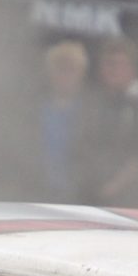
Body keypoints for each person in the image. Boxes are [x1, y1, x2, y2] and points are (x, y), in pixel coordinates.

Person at [88, 36, 138, 205]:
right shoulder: (96, 101)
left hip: (133, 199)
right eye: (108, 64)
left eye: (118, 64)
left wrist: (113, 187)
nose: (112, 70)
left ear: (132, 68)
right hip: (93, 193)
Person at [29, 38, 98, 203]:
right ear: (50, 73)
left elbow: (95, 157)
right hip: (35, 191)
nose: (65, 76)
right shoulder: (33, 109)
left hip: (77, 196)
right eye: (60, 69)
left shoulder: (91, 114)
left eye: (71, 70)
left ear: (81, 74)